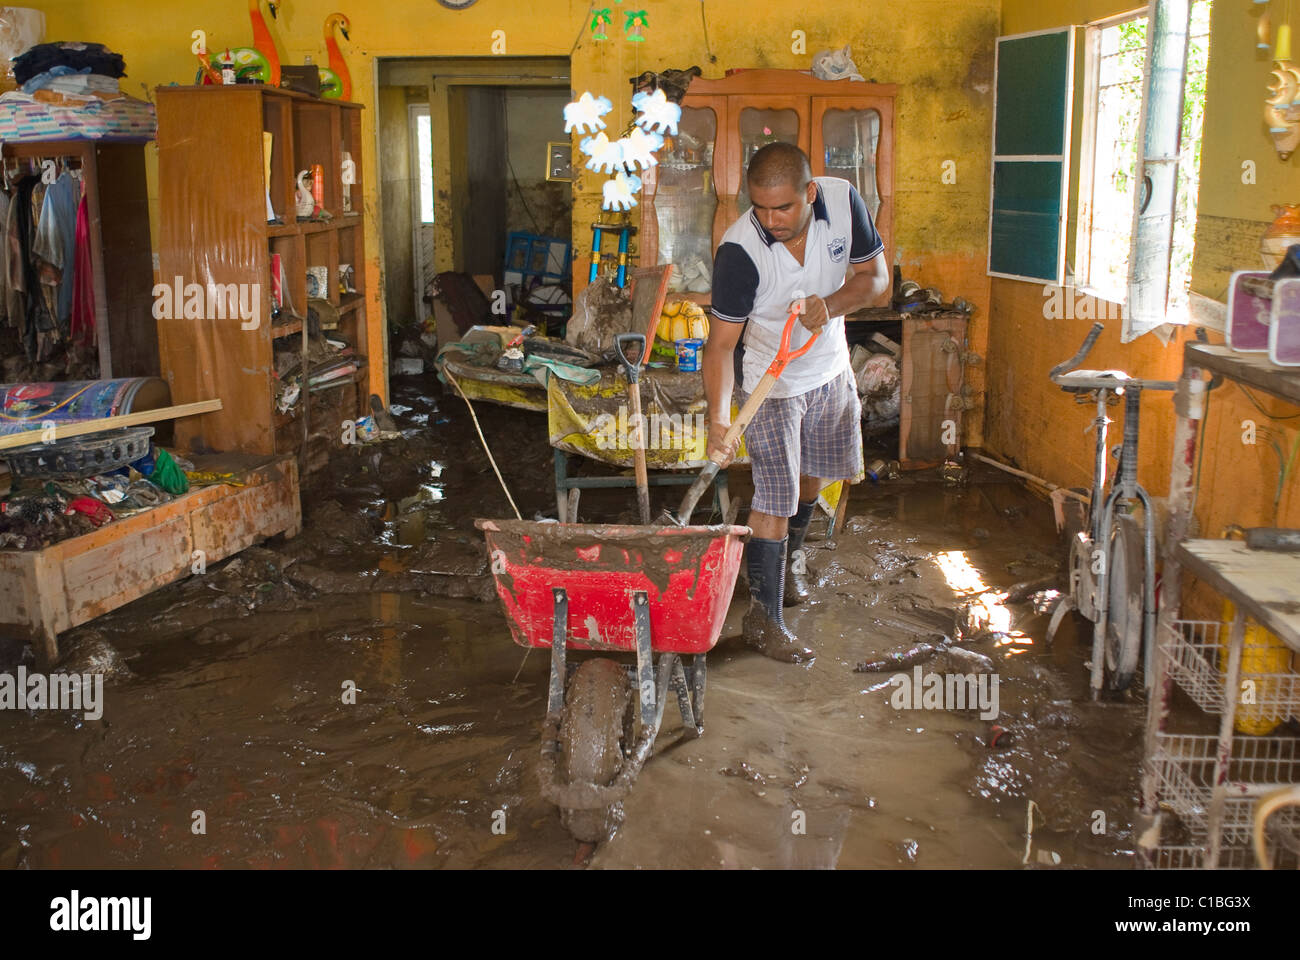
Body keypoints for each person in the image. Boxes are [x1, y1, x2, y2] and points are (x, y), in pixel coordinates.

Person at [703, 142, 890, 663]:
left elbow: (877, 281)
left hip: (829, 369)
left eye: (783, 207)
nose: (771, 219)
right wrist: (720, 419)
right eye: (760, 207)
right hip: (772, 383)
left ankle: (785, 568)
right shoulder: (740, 252)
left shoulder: (843, 202)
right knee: (775, 498)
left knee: (813, 479)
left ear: (809, 192)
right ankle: (764, 618)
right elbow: (719, 346)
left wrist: (828, 307)